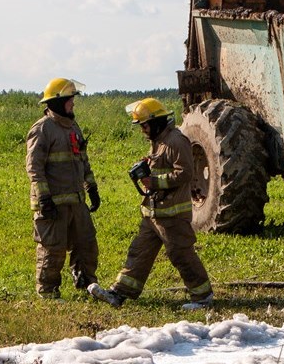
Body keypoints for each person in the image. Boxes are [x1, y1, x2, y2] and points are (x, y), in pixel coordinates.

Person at [87, 98, 214, 311]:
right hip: (154, 212)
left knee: (180, 253)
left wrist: (154, 181)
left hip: (172, 214)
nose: (142, 130)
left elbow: (185, 173)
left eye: (144, 125)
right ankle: (119, 293)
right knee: (139, 251)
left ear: (155, 122)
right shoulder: (159, 141)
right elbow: (163, 164)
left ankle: (202, 297)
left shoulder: (176, 141)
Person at [26, 78, 101, 299]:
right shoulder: (42, 129)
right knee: (53, 249)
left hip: (76, 202)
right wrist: (44, 199)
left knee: (86, 244)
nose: (73, 104)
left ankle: (87, 285)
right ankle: (48, 292)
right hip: (53, 203)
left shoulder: (73, 126)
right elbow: (34, 168)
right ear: (58, 102)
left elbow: (83, 160)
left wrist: (92, 187)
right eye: (70, 100)